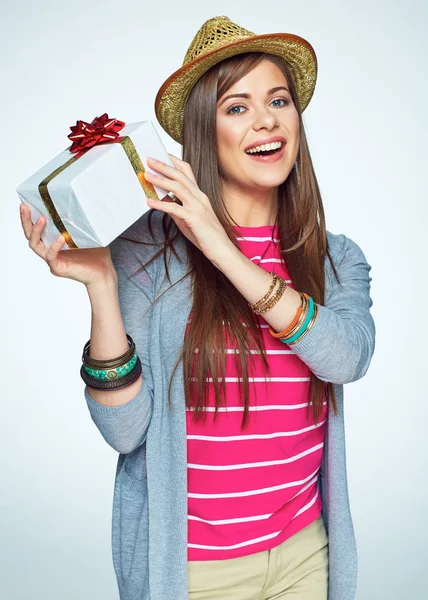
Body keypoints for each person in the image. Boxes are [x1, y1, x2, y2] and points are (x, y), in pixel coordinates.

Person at [19, 15, 376, 600]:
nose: (265, 120)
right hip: (194, 572)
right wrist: (103, 288)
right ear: (203, 134)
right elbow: (126, 432)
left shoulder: (335, 260)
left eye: (278, 100)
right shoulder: (147, 252)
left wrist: (223, 248)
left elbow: (346, 358)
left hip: (305, 557)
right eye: (236, 107)